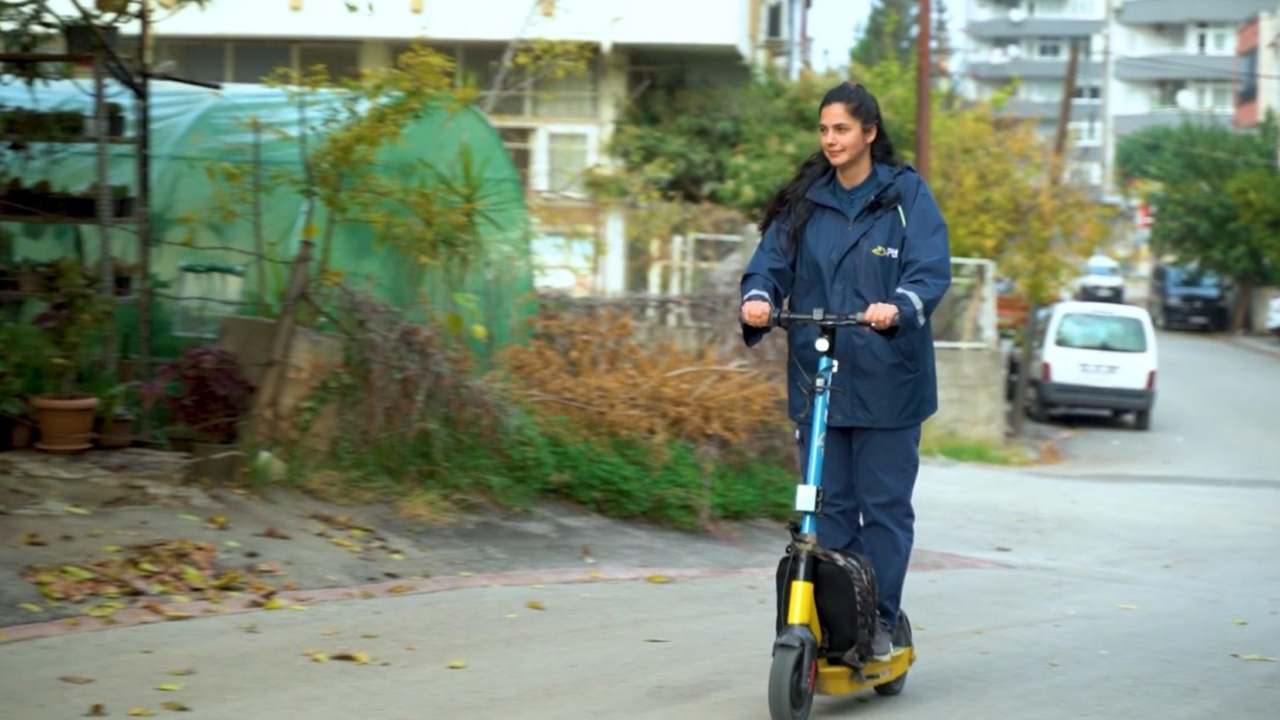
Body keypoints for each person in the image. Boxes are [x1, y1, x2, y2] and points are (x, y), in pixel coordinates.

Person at [740, 81, 951, 661]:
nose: (830, 139)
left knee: (882, 509)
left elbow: (929, 270)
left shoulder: (906, 196)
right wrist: (758, 296)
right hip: (820, 379)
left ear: (869, 133)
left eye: (842, 129)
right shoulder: (807, 200)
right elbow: (770, 263)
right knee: (827, 506)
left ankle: (878, 620)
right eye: (824, 129)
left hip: (889, 381)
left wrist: (900, 306)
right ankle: (841, 621)